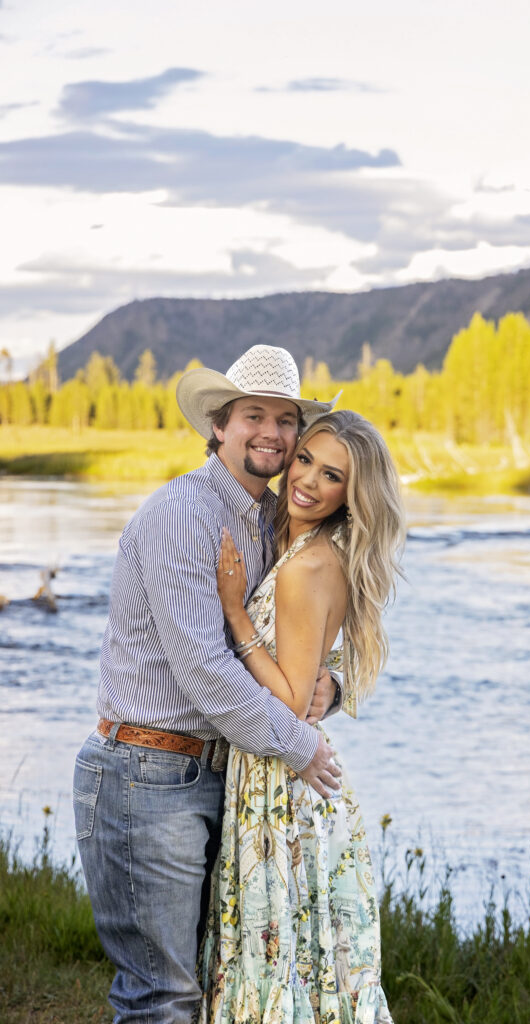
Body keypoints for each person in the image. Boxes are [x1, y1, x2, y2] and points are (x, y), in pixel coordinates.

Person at [73, 345, 344, 1024]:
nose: (272, 434)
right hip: (147, 775)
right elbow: (204, 674)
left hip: (218, 776)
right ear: (219, 424)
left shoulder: (274, 520)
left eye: (286, 421)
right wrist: (298, 744)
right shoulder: (182, 516)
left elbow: (315, 632)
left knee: (207, 984)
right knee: (160, 999)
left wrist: (330, 688)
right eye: (254, 415)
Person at [198, 409, 404, 1024]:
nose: (308, 480)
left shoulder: (308, 567)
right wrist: (334, 686)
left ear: (353, 494)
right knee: (307, 965)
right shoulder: (304, 544)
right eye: (306, 459)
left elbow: (288, 703)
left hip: (280, 787)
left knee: (276, 961)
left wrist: (237, 617)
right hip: (287, 778)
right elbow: (316, 668)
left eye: (332, 475)